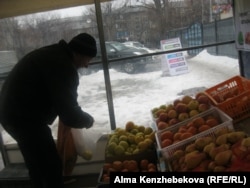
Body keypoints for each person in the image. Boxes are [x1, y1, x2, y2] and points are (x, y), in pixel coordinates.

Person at [0, 33, 97, 188]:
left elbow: (61, 101)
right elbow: (69, 113)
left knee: (38, 165)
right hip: (23, 119)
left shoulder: (54, 55)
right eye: (88, 59)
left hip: (13, 114)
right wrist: (87, 120)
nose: (87, 65)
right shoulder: (63, 66)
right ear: (78, 53)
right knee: (50, 167)